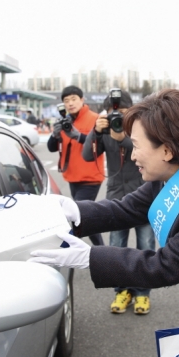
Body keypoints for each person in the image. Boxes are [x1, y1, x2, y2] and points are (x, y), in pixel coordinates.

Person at [30, 89, 179, 311]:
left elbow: (166, 266)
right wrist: (75, 211)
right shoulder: (174, 173)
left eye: (137, 145)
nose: (132, 155)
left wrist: (90, 257)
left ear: (167, 150)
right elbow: (126, 209)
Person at [82, 90, 155, 315]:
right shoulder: (104, 129)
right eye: (113, 112)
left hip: (143, 197)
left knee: (145, 247)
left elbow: (147, 152)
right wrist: (95, 133)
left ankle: (143, 293)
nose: (117, 117)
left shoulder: (141, 128)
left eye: (122, 112)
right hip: (116, 198)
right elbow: (87, 156)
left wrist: (122, 138)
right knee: (116, 248)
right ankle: (121, 291)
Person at [47, 85, 105, 246]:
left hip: (90, 177)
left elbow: (99, 146)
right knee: (85, 218)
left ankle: (70, 251)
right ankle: (102, 250)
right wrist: (55, 134)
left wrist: (79, 136)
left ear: (82, 100)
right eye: (66, 101)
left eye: (74, 99)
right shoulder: (64, 121)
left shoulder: (95, 119)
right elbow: (51, 148)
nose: (70, 103)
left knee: (77, 216)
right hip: (72, 177)